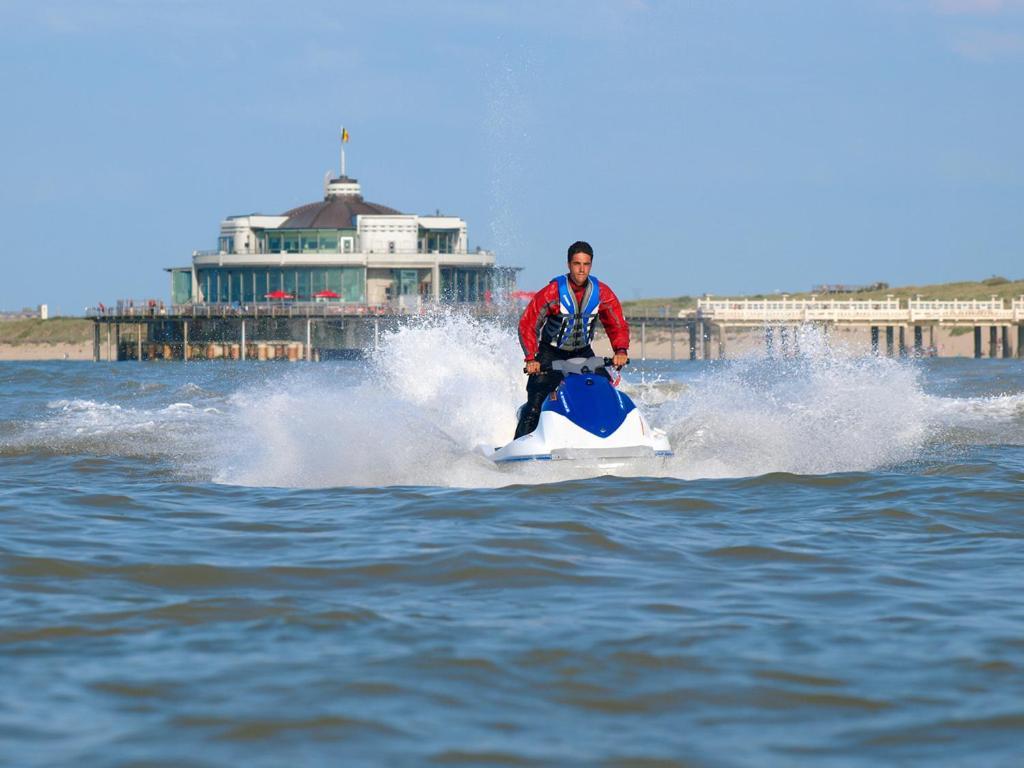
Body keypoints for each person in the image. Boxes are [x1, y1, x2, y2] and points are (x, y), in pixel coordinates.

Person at [514, 241, 630, 438]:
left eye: (586, 264)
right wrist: (532, 359)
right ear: (569, 265)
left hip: (583, 353)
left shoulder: (602, 293)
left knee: (602, 393)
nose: (581, 269)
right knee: (535, 403)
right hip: (550, 354)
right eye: (577, 264)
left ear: (591, 265)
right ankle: (519, 445)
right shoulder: (552, 293)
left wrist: (620, 350)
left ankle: (605, 436)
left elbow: (617, 324)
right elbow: (528, 324)